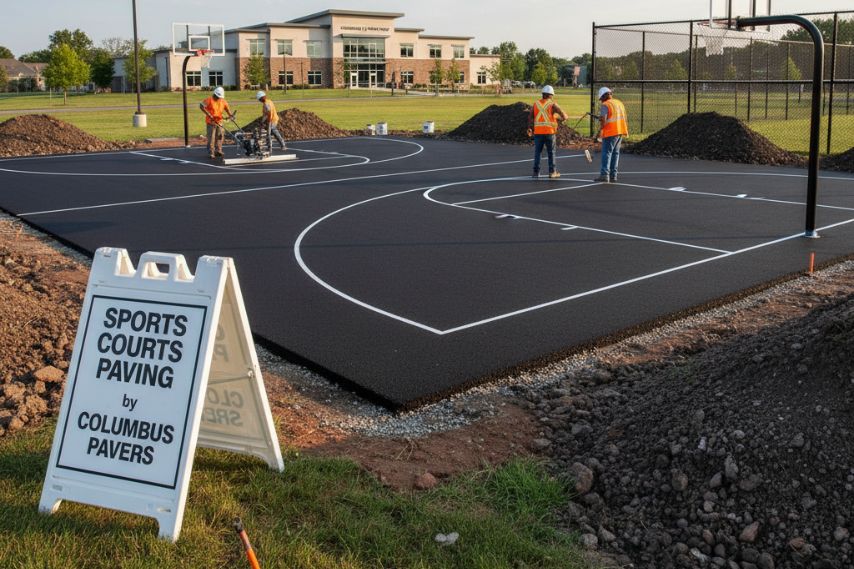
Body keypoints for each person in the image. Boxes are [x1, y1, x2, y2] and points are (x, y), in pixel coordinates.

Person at [527, 85, 569, 179]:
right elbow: (564, 116)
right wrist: (560, 119)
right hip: (549, 132)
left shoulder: (536, 104)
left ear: (543, 94)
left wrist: (530, 128)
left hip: (538, 132)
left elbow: (530, 117)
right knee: (551, 152)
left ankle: (536, 173)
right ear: (550, 95)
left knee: (538, 152)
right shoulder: (553, 104)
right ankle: (552, 172)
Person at [593, 87, 628, 183]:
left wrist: (598, 133)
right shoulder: (619, 103)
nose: (601, 101)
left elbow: (604, 120)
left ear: (604, 96)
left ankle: (604, 175)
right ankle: (613, 175)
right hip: (620, 130)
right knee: (615, 153)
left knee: (606, 153)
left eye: (601, 98)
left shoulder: (605, 105)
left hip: (610, 132)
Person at [199, 86, 233, 159]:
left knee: (220, 136)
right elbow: (201, 106)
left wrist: (231, 115)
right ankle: (211, 152)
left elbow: (227, 109)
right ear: (214, 94)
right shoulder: (209, 100)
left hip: (219, 121)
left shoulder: (222, 101)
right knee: (211, 137)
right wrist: (208, 114)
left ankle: (218, 150)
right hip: (211, 122)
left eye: (219, 96)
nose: (218, 98)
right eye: (217, 96)